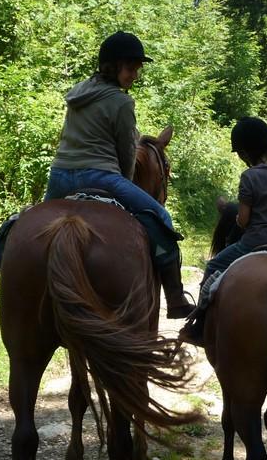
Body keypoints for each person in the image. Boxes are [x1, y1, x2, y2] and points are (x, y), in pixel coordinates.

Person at [44, 31, 195, 319]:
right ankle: (175, 299)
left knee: (29, 222)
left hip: (60, 175)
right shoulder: (122, 102)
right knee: (162, 218)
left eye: (138, 67)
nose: (136, 73)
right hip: (101, 176)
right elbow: (127, 151)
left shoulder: (78, 93)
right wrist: (125, 181)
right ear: (112, 66)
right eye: (131, 66)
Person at [180, 116, 267, 345]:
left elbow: (244, 220)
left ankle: (199, 327)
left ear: (247, 153)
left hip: (255, 243)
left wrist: (237, 217)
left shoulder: (250, 176)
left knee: (214, 265)